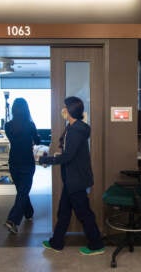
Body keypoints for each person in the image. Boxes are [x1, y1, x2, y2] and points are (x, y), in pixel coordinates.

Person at [39, 96, 105, 256]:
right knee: (64, 212)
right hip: (72, 179)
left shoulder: (76, 130)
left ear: (69, 111)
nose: (62, 110)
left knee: (84, 213)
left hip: (76, 179)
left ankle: (96, 245)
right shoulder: (73, 127)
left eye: (64, 108)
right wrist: (56, 156)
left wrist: (46, 159)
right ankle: (57, 242)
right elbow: (70, 153)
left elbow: (68, 156)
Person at [4, 98, 40, 234]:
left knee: (22, 191)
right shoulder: (30, 125)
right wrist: (35, 137)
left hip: (13, 162)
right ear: (26, 110)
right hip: (27, 162)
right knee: (23, 191)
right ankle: (12, 220)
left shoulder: (8, 126)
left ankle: (29, 213)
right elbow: (37, 141)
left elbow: (14, 140)